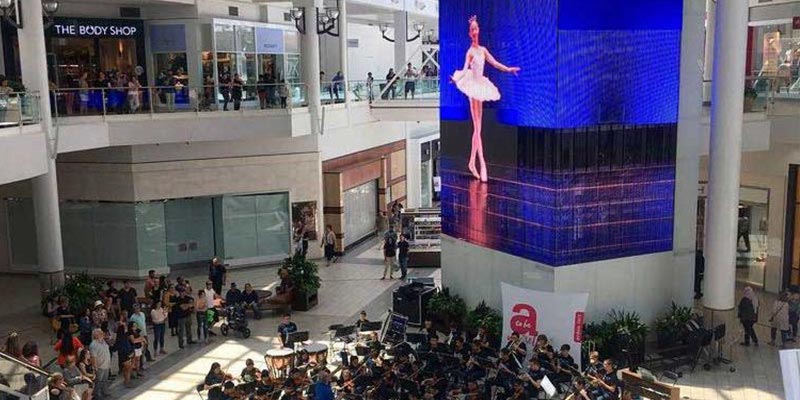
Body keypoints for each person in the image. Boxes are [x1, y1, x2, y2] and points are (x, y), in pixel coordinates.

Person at [451, 15, 520, 182]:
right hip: (472, 86)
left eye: (476, 28)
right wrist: (456, 80)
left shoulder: (482, 50)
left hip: (480, 85)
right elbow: (464, 68)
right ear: (469, 33)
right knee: (477, 127)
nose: (475, 31)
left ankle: (472, 162)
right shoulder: (470, 52)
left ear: (478, 30)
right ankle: (481, 164)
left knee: (478, 128)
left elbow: (495, 63)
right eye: (472, 29)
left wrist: (509, 69)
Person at [89, 329, 110, 400]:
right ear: (96, 335)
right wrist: (95, 367)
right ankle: (97, 394)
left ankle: (105, 391)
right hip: (99, 366)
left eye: (102, 332)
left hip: (106, 364)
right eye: (100, 333)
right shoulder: (93, 345)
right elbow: (93, 357)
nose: (102, 334)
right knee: (98, 381)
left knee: (105, 380)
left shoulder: (103, 341)